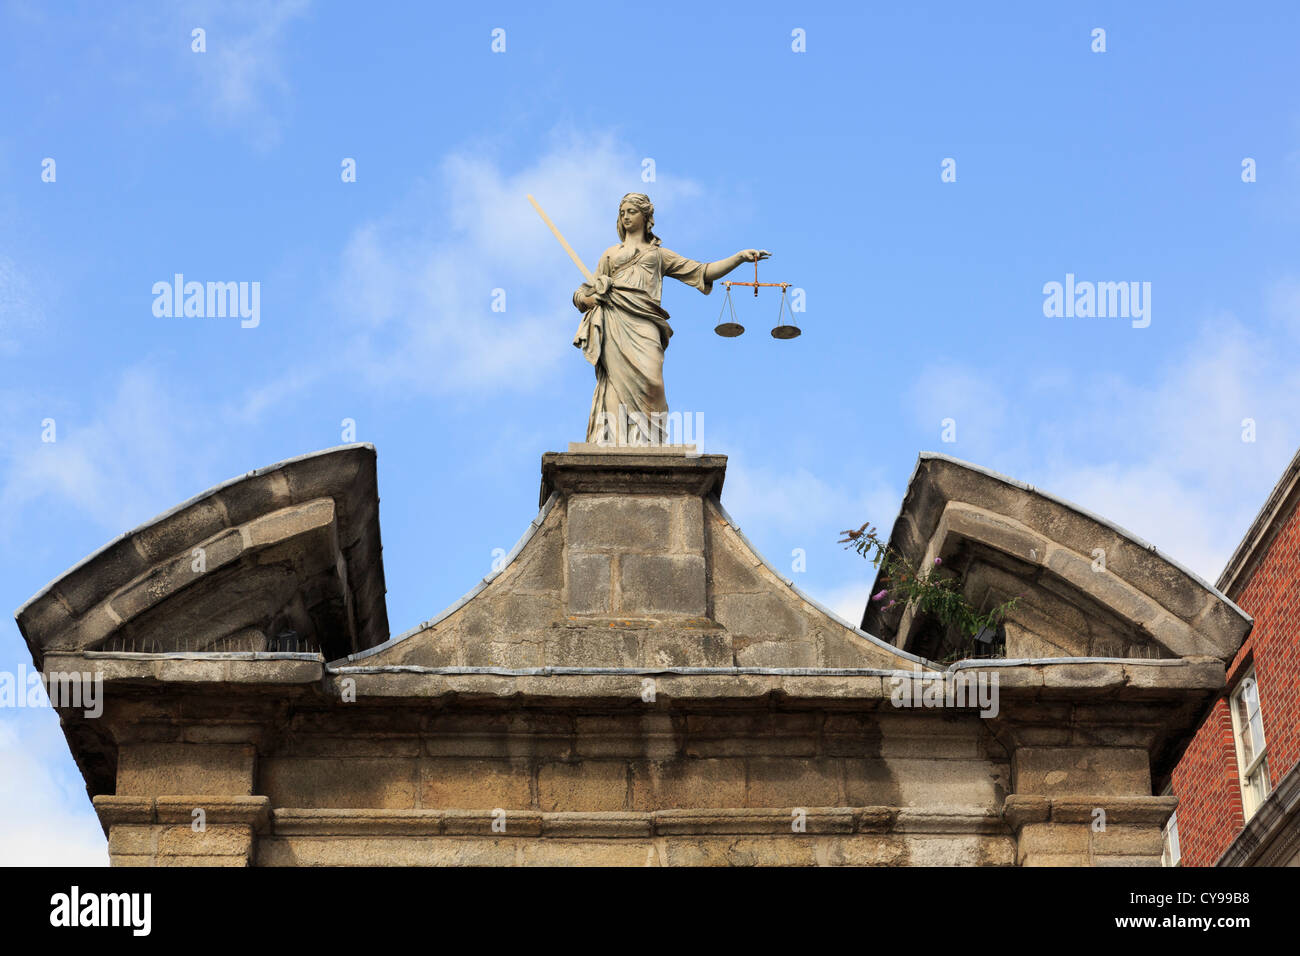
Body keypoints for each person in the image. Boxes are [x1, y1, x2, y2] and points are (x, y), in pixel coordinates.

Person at [573, 192, 768, 445]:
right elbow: (582, 295)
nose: (626, 217)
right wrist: (592, 299)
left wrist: (739, 258)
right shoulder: (610, 254)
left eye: (631, 212)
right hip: (614, 320)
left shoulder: (659, 255)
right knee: (614, 382)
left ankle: (648, 441)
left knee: (652, 382)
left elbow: (702, 271)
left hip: (646, 324)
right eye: (623, 213)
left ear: (646, 216)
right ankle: (613, 440)